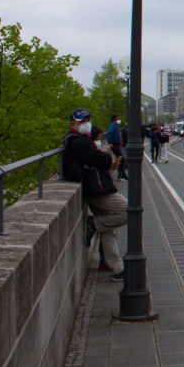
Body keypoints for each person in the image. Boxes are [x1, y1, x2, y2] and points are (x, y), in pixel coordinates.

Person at [61, 109, 127, 281]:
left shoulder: (80, 140)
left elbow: (98, 159)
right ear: (73, 124)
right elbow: (100, 159)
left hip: (96, 186)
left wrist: (102, 158)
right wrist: (104, 158)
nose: (87, 123)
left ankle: (116, 267)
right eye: (83, 121)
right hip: (97, 189)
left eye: (88, 120)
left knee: (108, 231)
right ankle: (94, 224)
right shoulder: (78, 142)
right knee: (131, 211)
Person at [106, 114, 128, 181]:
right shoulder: (113, 125)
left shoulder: (115, 125)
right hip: (115, 145)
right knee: (121, 159)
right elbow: (109, 133)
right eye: (118, 119)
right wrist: (110, 142)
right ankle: (121, 176)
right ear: (114, 119)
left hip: (117, 145)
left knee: (121, 159)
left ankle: (123, 175)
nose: (119, 120)